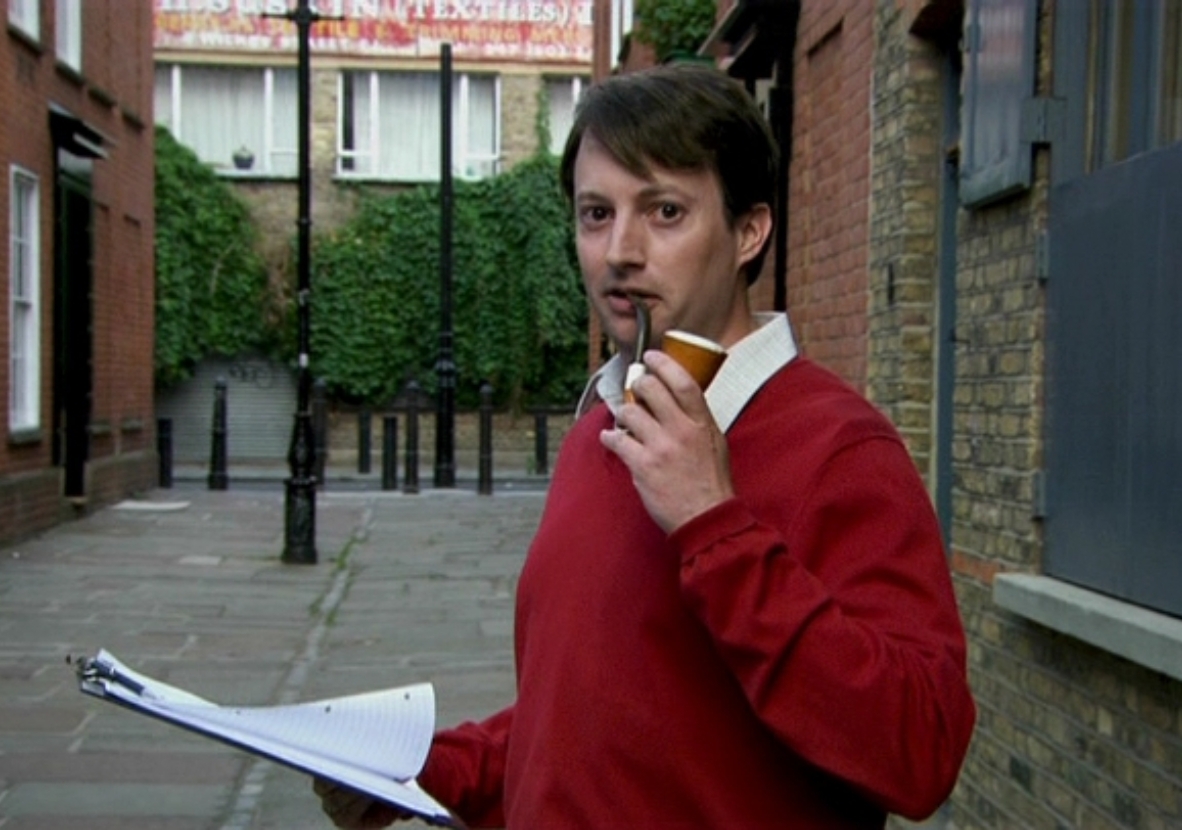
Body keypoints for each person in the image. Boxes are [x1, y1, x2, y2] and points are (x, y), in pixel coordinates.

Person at [317, 63, 976, 830]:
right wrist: (427, 771)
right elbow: (589, 725)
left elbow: (921, 750)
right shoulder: (602, 423)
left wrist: (714, 526)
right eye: (595, 214)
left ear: (749, 231)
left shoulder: (840, 447)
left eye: (664, 210)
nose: (620, 250)